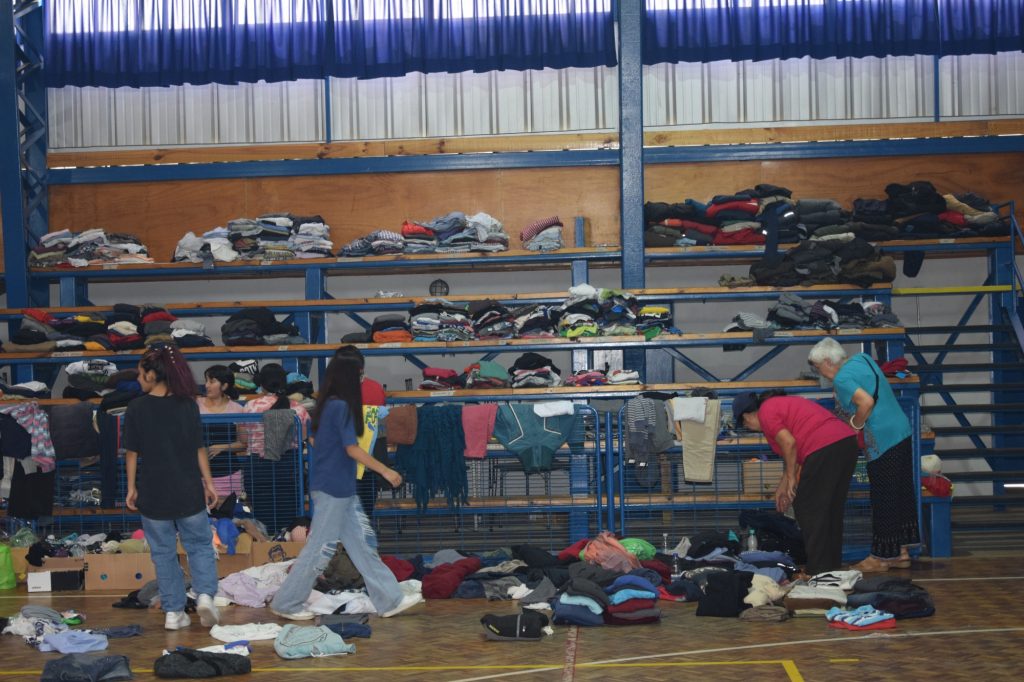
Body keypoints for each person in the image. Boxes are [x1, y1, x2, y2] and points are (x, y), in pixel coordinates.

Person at [269, 348, 423, 620]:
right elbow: (351, 448)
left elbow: (315, 440)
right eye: (360, 373)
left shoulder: (327, 404)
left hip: (337, 487)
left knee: (362, 545)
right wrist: (385, 470)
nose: (362, 379)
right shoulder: (340, 407)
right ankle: (286, 602)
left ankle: (389, 599)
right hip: (334, 489)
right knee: (320, 549)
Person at [123, 344, 220, 631]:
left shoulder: (136, 407)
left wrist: (131, 488)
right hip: (187, 489)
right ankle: (205, 595)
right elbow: (198, 448)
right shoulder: (188, 405)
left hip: (153, 492)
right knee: (199, 546)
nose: (138, 379)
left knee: (163, 553)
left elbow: (131, 453)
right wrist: (209, 483)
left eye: (140, 373)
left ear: (152, 375)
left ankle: (174, 612)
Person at [808, 338, 919, 572]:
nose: (820, 374)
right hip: (901, 429)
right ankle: (901, 551)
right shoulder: (863, 359)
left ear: (827, 362)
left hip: (881, 439)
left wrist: (855, 425)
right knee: (900, 493)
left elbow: (866, 403)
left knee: (884, 497)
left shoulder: (842, 379)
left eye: (818, 368)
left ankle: (880, 557)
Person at [733, 390, 860, 576]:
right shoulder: (779, 408)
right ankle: (831, 565)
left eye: (745, 424)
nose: (749, 427)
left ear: (746, 417)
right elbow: (793, 454)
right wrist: (783, 487)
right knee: (831, 509)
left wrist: (793, 478)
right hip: (844, 442)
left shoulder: (766, 412)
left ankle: (817, 569)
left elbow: (789, 443)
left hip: (824, 446)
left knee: (808, 507)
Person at [239, 363, 310, 457]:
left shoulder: (250, 406)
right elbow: (305, 436)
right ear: (284, 382)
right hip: (290, 462)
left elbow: (243, 439)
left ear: (262, 384)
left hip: (256, 462)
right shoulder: (298, 408)